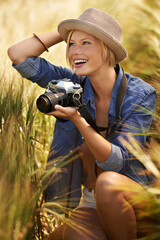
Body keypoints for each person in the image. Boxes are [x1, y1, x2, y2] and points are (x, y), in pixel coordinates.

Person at [8, 8, 157, 240]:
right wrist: (64, 32)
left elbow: (116, 162)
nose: (75, 51)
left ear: (108, 49)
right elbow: (19, 56)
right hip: (91, 198)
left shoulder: (141, 94)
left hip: (130, 192)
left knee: (107, 184)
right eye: (72, 44)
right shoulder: (71, 84)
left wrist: (77, 119)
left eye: (86, 43)